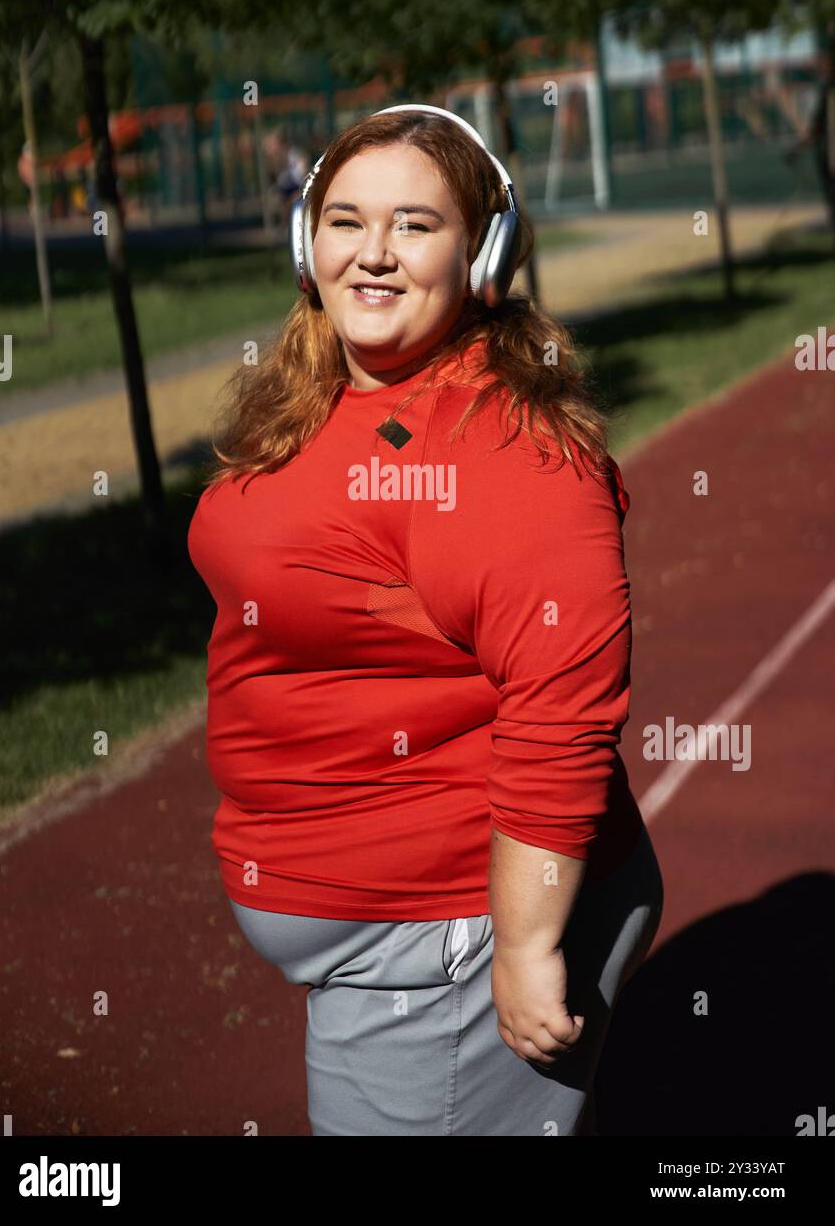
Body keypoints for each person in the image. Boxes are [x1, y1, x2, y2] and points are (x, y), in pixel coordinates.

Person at [187, 104, 664, 1137]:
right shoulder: (313, 394)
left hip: (443, 940)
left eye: (413, 224)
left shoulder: (504, 450)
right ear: (303, 240)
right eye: (345, 220)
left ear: (484, 253)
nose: (372, 253)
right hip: (379, 944)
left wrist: (525, 944)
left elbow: (561, 706)